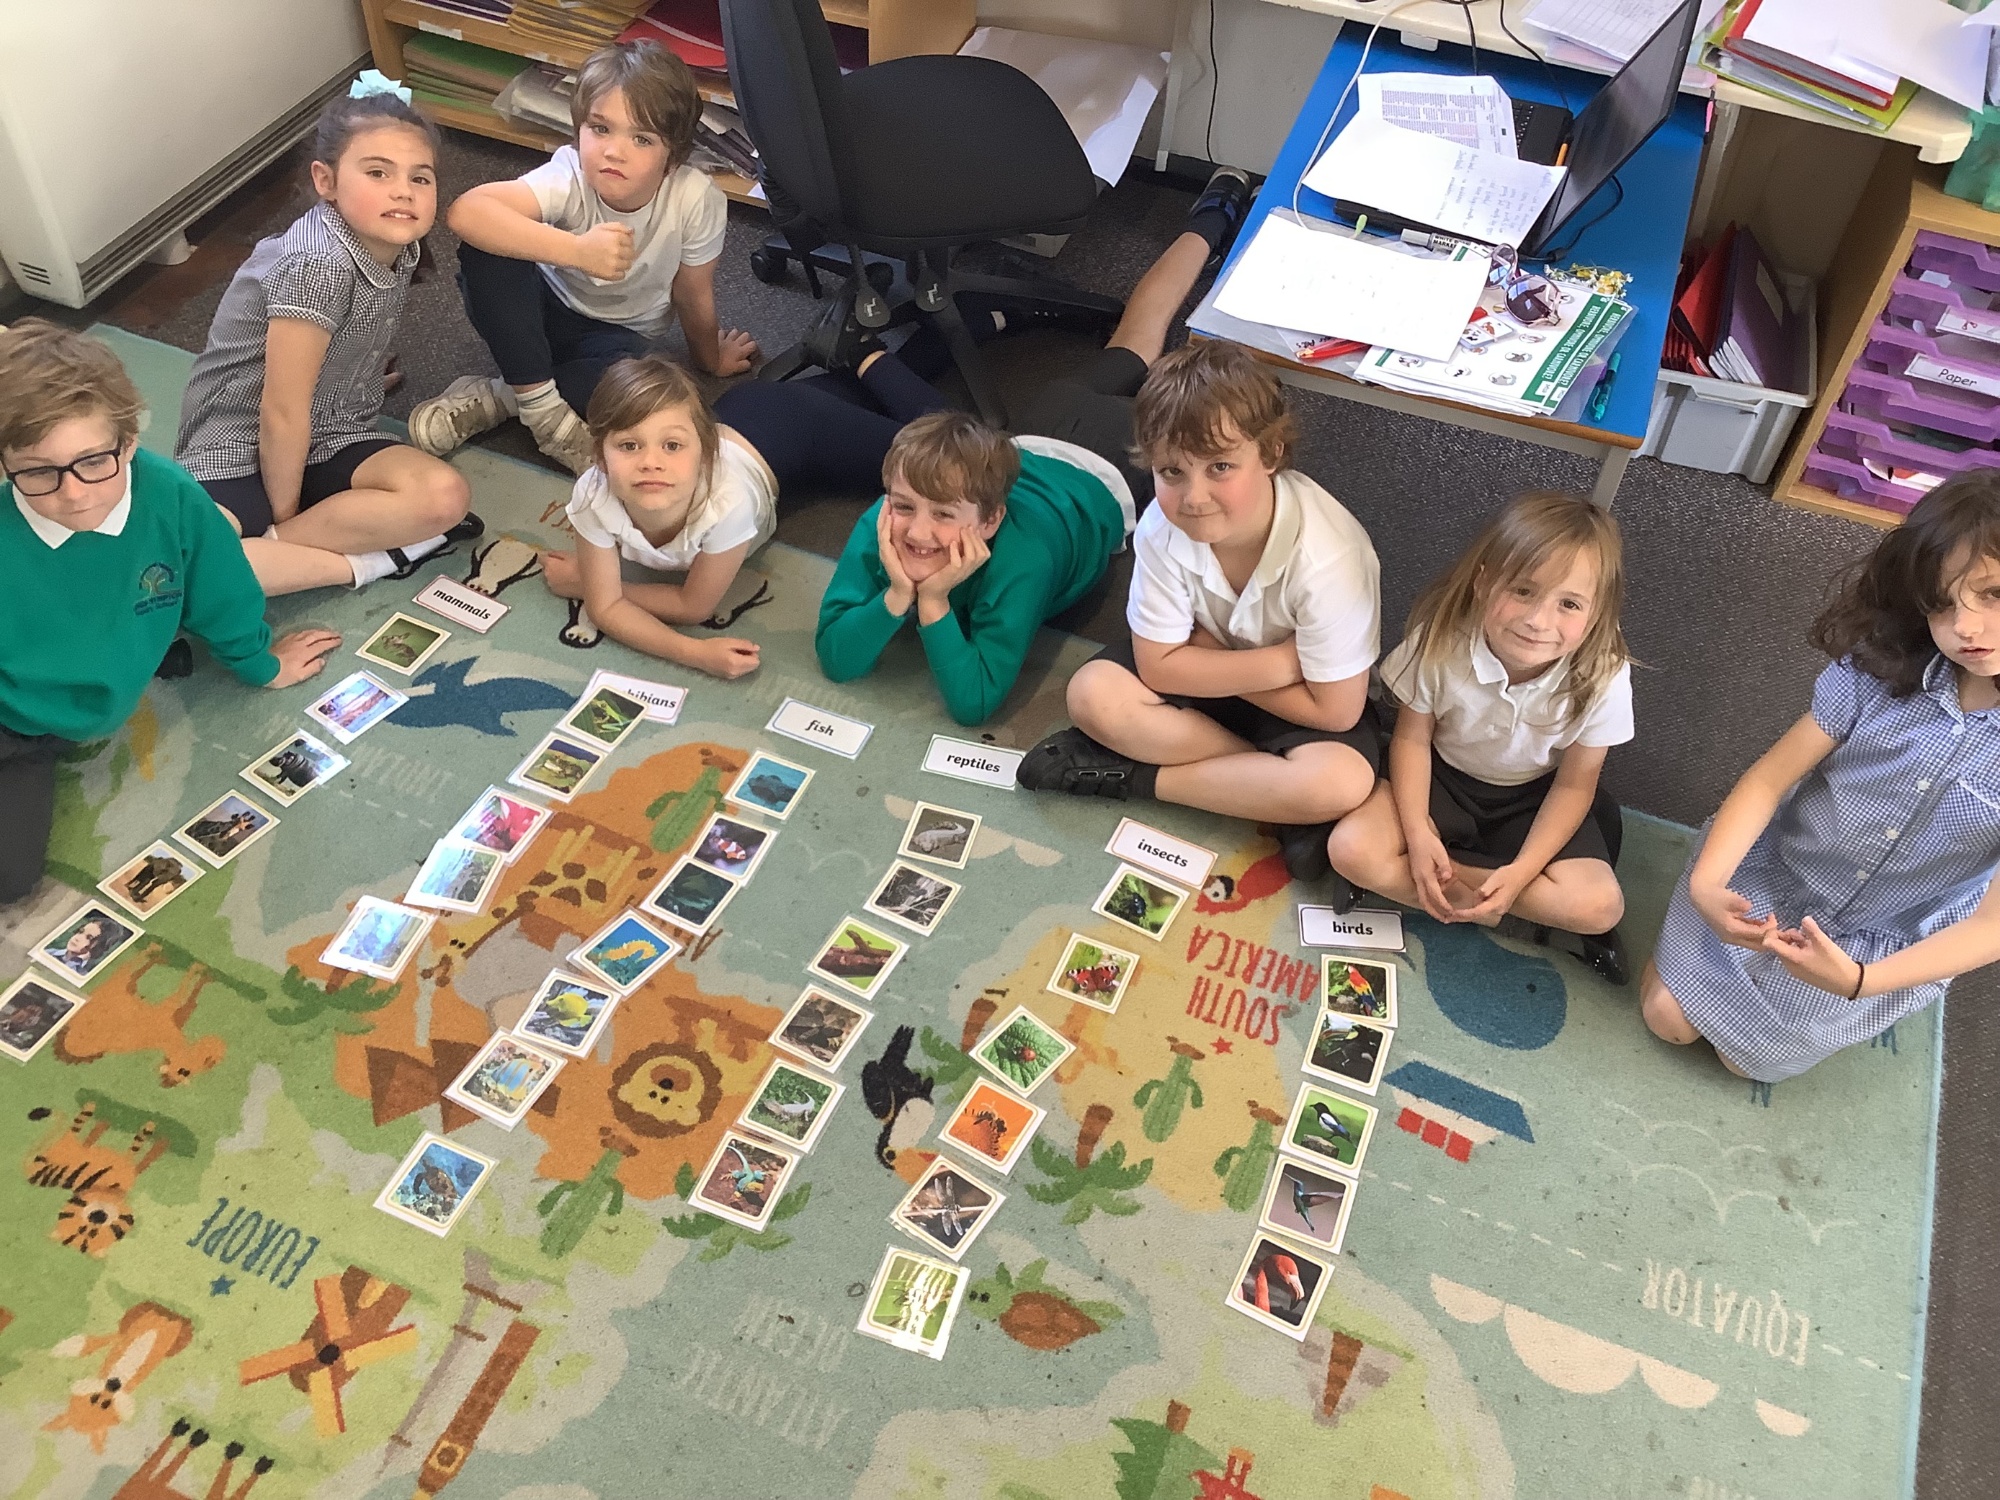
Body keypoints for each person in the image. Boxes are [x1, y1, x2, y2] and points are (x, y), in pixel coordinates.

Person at [711, 168, 1255, 724]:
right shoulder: (884, 522)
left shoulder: (1022, 562)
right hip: (1040, 435)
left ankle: (1215, 221)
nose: (918, 532)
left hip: (1117, 468)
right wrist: (900, 594)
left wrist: (937, 602)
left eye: (944, 514)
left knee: (1198, 387)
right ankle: (1217, 212)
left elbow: (974, 704)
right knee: (1135, 347)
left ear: (991, 520)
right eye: (904, 505)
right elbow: (836, 659)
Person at [1642, 475, 2000, 1082]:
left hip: (1883, 939)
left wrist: (1863, 981)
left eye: (1991, 594)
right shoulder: (1880, 670)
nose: (1964, 627)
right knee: (1666, 1018)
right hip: (1778, 874)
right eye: (1942, 604)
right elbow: (1766, 782)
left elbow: (1990, 927)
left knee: (1745, 1063)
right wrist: (1708, 883)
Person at [1014, 340, 1382, 880]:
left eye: (1221, 466)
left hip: (1291, 700)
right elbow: (1159, 666)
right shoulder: (1164, 529)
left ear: (1272, 455)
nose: (1194, 496)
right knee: (1092, 695)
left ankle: (1133, 777)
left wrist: (1201, 653)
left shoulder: (1331, 559)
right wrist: (1281, 663)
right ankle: (1270, 800)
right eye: (1171, 472)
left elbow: (1337, 713)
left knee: (1338, 783)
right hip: (1260, 678)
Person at [0, 321, 338, 904]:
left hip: (74, 708)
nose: (74, 493)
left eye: (93, 461)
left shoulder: (170, 495)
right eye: (37, 472)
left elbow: (223, 590)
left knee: (10, 878)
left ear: (129, 441)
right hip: (12, 721)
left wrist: (260, 663)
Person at [175, 84, 478, 597]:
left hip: (332, 426)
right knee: (178, 570)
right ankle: (360, 561)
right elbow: (282, 411)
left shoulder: (392, 244)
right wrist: (287, 514)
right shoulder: (318, 262)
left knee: (444, 496)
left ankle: (267, 557)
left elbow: (336, 346)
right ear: (326, 180)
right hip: (238, 442)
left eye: (419, 177)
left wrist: (356, 379)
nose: (403, 190)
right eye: (378, 172)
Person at [1325, 492, 1633, 983]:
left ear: (1597, 615)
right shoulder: (1441, 638)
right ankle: (1494, 907)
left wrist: (1524, 870)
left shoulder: (1605, 674)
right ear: (1484, 580)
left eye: (1568, 604)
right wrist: (1418, 831)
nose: (1538, 622)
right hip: (1440, 780)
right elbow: (1410, 740)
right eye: (1524, 591)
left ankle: (1448, 889)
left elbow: (1576, 784)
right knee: (1350, 848)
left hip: (1532, 798)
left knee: (1601, 907)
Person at [409, 40, 757, 475]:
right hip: (537, 312)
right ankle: (544, 413)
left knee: (651, 404)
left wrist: (710, 359)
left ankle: (505, 396)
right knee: (488, 245)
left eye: (642, 138)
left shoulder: (695, 199)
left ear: (673, 158)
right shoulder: (569, 174)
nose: (614, 151)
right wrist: (576, 252)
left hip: (617, 338)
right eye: (600, 128)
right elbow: (466, 212)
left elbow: (692, 292)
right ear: (579, 132)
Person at [540, 356, 770, 678]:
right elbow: (604, 608)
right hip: (719, 424)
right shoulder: (593, 494)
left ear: (705, 456)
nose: (651, 462)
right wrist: (697, 652)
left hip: (778, 439)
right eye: (629, 445)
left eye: (671, 446)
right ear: (600, 459)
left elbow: (692, 607)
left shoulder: (728, 505)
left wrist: (587, 584)